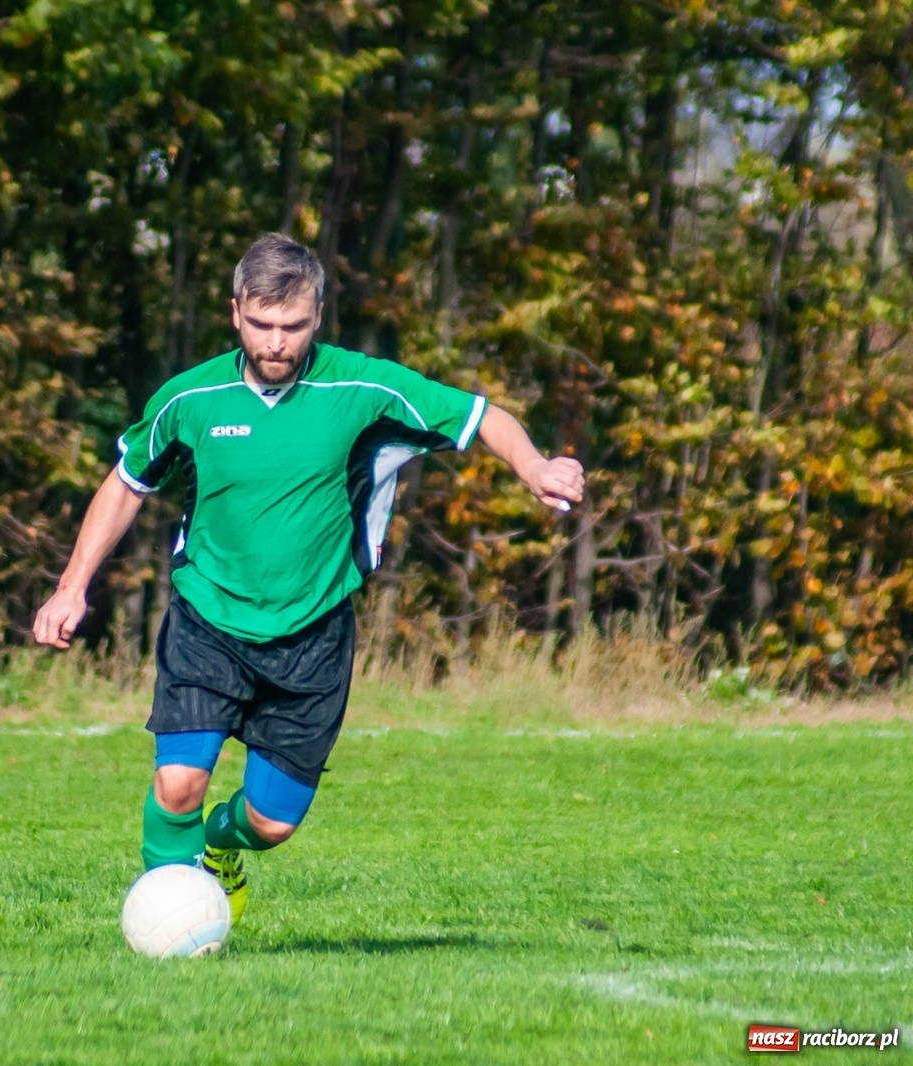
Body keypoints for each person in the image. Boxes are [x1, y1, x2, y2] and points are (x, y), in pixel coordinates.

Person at [32, 233, 584, 919]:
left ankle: (219, 847)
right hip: (209, 619)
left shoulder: (362, 388)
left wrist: (534, 467)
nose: (276, 342)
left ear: (317, 315)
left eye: (292, 326)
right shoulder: (190, 398)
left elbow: (481, 416)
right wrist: (72, 587)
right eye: (261, 323)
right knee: (177, 783)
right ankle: (167, 918)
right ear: (235, 313)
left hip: (313, 635)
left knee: (272, 823)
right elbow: (126, 485)